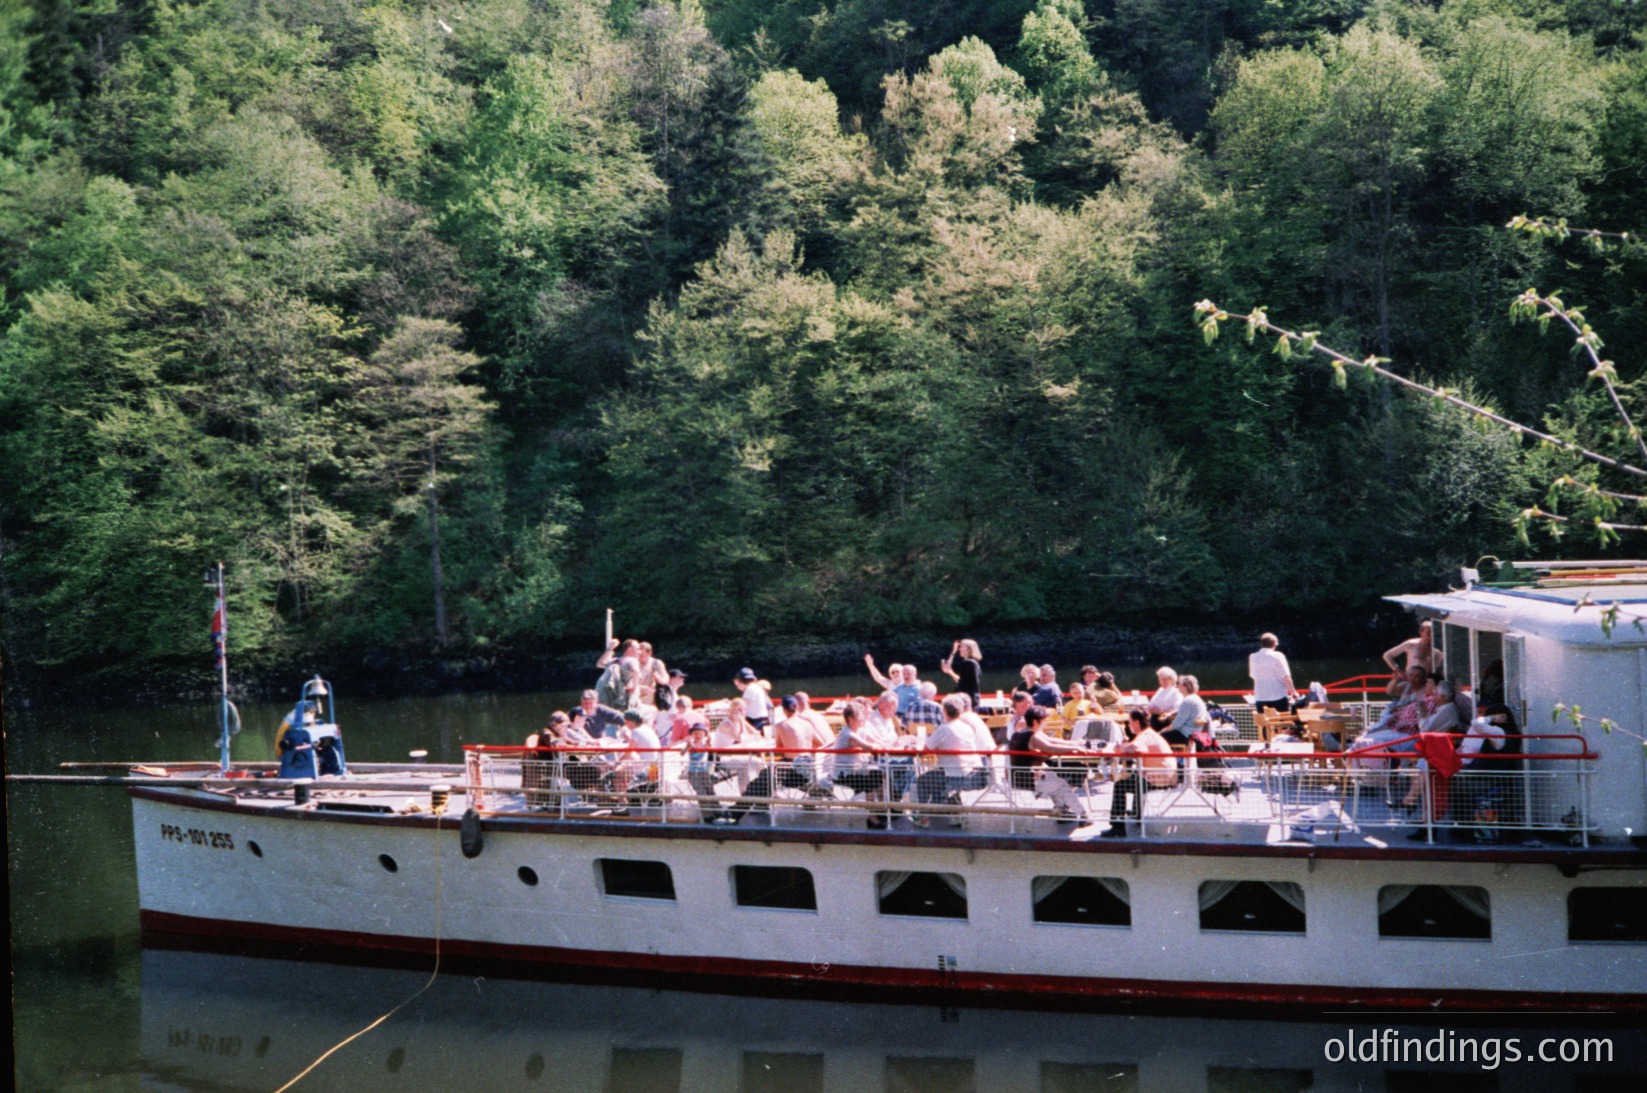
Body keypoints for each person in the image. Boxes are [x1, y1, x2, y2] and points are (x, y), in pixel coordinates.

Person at [913, 696, 992, 828]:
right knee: (945, 777)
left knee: (923, 780)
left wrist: (914, 746)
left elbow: (924, 750)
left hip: (956, 775)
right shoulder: (967, 728)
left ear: (944, 711)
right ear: (960, 712)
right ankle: (956, 815)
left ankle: (923, 818)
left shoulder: (944, 729)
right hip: (975, 773)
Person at [1007, 704, 1091, 823]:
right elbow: (1051, 747)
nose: (1046, 723)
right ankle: (1084, 816)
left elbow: (1052, 741)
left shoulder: (1022, 732)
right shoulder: (1033, 736)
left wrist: (1074, 744)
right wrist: (1074, 749)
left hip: (1020, 778)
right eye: (1044, 720)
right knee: (1061, 785)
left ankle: (1063, 814)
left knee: (1053, 780)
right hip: (1029, 780)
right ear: (1036, 722)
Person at [1101, 709, 1177, 837]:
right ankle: (1137, 814)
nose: (1128, 725)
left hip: (1158, 778)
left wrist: (1121, 748)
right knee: (1137, 777)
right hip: (1167, 776)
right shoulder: (1150, 733)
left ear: (1136, 722)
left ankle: (1117, 826)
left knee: (1120, 785)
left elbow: (1138, 748)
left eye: (1129, 722)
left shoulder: (1144, 736)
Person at [828, 699, 892, 829]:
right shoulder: (849, 735)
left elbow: (878, 742)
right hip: (843, 774)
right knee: (870, 781)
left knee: (879, 775)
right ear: (851, 719)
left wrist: (888, 744)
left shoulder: (859, 731)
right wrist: (877, 745)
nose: (863, 718)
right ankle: (872, 818)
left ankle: (881, 810)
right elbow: (870, 747)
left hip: (855, 770)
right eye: (860, 716)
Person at [712, 697, 768, 794]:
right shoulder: (727, 725)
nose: (742, 712)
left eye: (744, 709)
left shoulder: (740, 721)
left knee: (759, 762)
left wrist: (743, 723)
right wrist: (742, 721)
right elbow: (741, 739)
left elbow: (756, 734)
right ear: (732, 711)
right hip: (721, 758)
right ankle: (745, 794)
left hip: (732, 754)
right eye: (739, 709)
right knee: (754, 762)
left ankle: (764, 789)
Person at [1248, 633, 1298, 712]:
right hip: (1278, 696)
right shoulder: (1278, 656)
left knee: (1264, 723)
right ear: (1275, 644)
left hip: (1261, 696)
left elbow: (1253, 675)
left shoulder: (1253, 657)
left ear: (1261, 644)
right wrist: (1293, 692)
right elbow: (1286, 677)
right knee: (1281, 722)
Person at [1162, 674, 1209, 748]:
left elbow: (1177, 724)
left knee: (1159, 738)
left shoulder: (1187, 701)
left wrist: (1162, 731)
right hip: (1194, 733)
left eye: (1179, 684)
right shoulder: (1196, 698)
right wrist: (1171, 714)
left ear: (1185, 686)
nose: (1177, 687)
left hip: (1185, 735)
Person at [941, 639, 984, 710]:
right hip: (971, 699)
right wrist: (953, 652)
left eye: (962, 647)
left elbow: (962, 682)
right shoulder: (972, 663)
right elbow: (962, 681)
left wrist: (950, 672)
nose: (959, 649)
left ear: (969, 649)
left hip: (967, 701)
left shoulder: (968, 663)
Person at [733, 667, 773, 733]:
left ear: (740, 680)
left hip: (756, 721)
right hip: (762, 719)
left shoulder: (750, 689)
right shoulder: (756, 687)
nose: (738, 688)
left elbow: (741, 706)